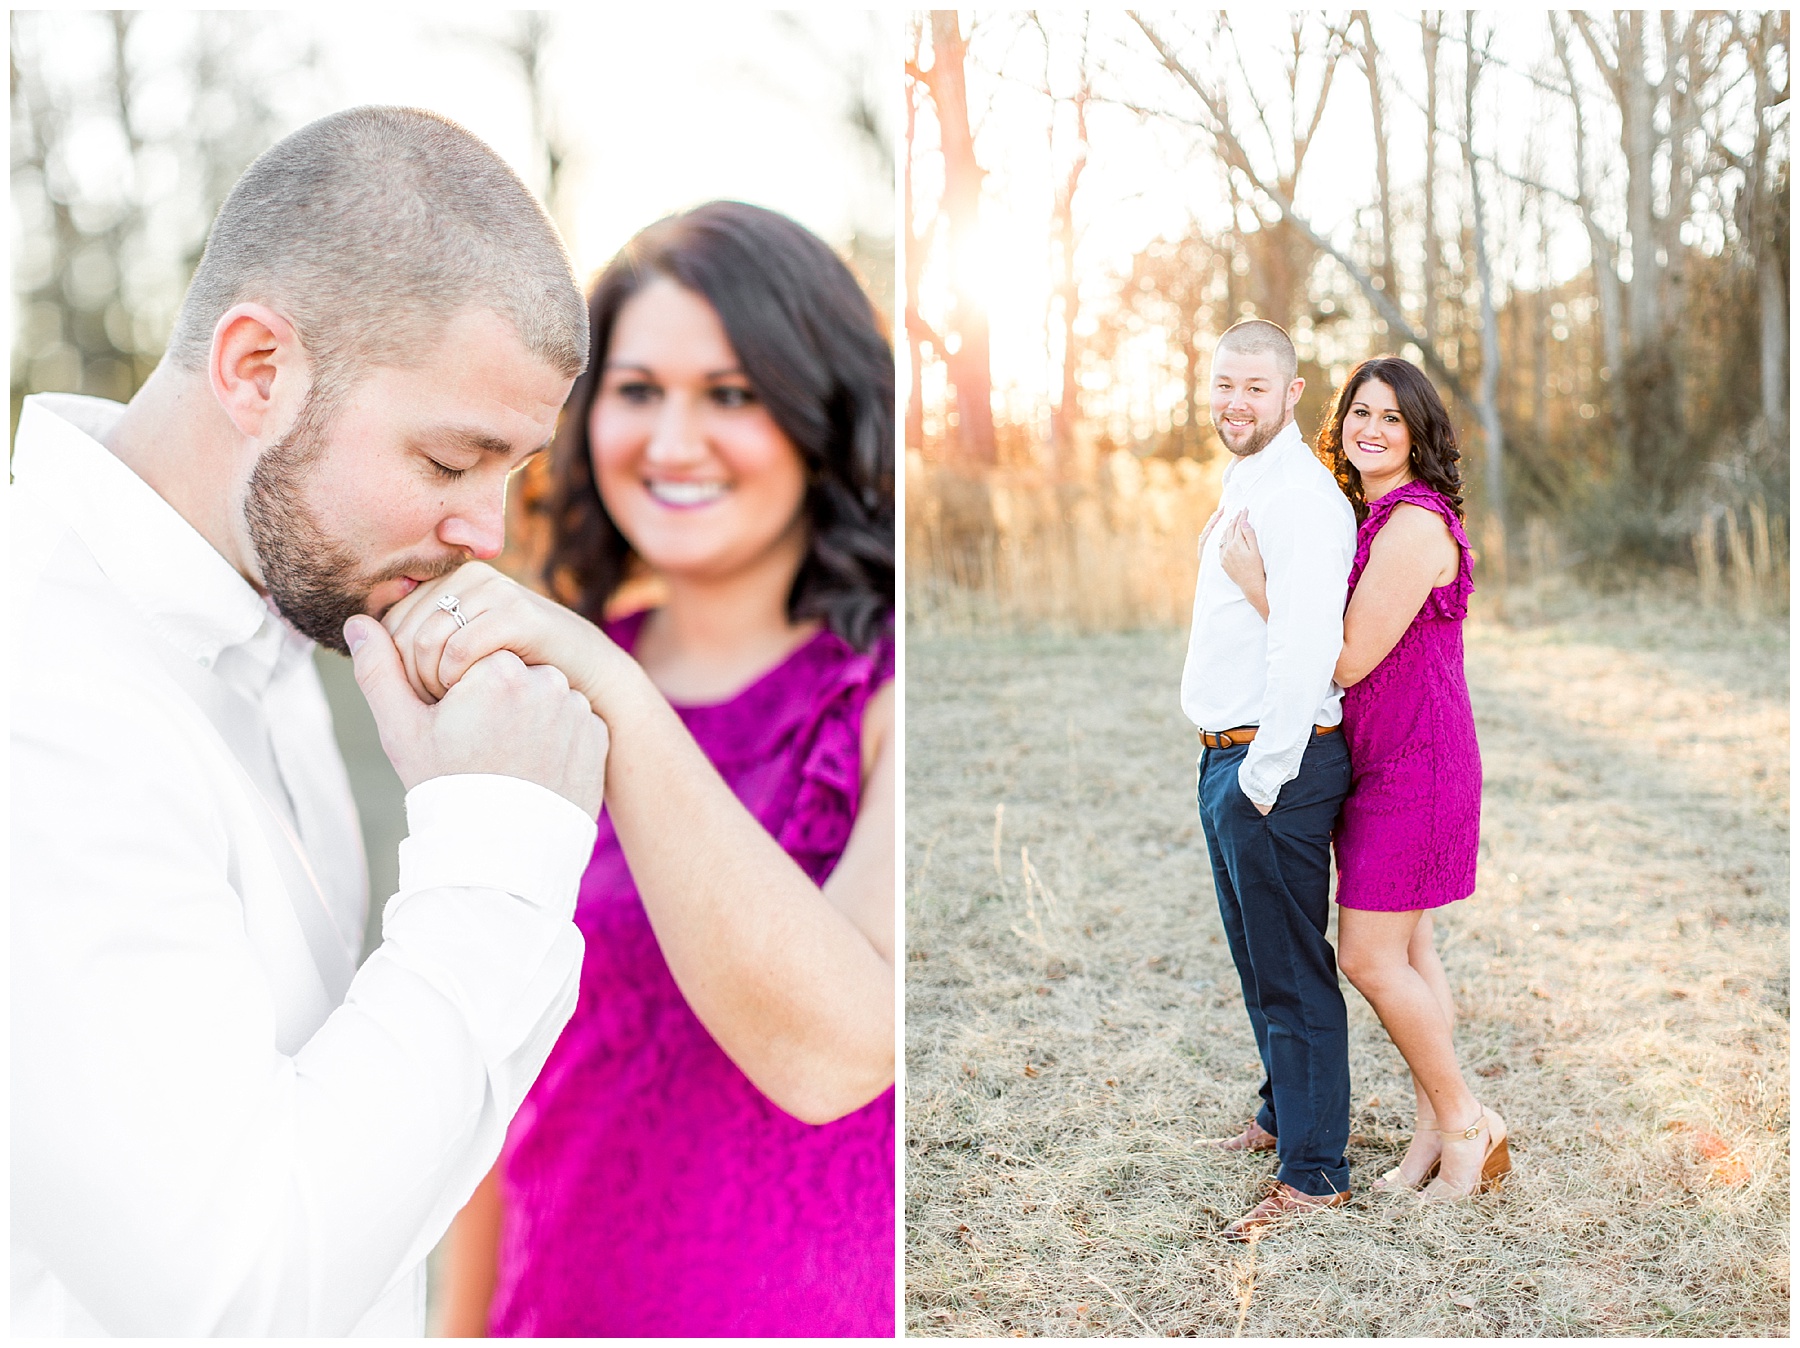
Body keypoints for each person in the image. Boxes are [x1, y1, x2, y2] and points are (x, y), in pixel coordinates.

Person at [10, 107, 612, 1336]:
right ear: (257, 370)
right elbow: (232, 1290)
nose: (487, 536)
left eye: (513, 473)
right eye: (451, 464)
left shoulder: (276, 618)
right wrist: (502, 854)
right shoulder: (47, 697)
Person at [405, 202, 896, 1337]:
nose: (672, 442)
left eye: (731, 392)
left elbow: (834, 1053)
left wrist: (606, 680)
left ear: (821, 409)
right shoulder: (526, 698)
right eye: (636, 391)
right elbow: (491, 1063)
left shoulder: (882, 697)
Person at [1218, 355, 1508, 1202]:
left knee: (1370, 957)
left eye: (1391, 417)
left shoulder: (1413, 525)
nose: (1370, 430)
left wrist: (1260, 587)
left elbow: (1341, 657)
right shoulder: (1374, 515)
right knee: (1411, 950)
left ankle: (1466, 1121)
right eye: (1359, 414)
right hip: (1384, 762)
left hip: (1417, 771)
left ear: (1419, 434)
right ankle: (1433, 1133)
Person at [1180, 318, 1359, 1240]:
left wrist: (1262, 776)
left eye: (1254, 387)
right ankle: (1283, 1114)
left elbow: (1305, 651)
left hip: (1272, 764)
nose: (1234, 403)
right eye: (1223, 385)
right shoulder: (1246, 477)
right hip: (1229, 754)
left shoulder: (1303, 498)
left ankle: (1316, 1173)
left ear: (1292, 394)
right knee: (1259, 962)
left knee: (1292, 973)